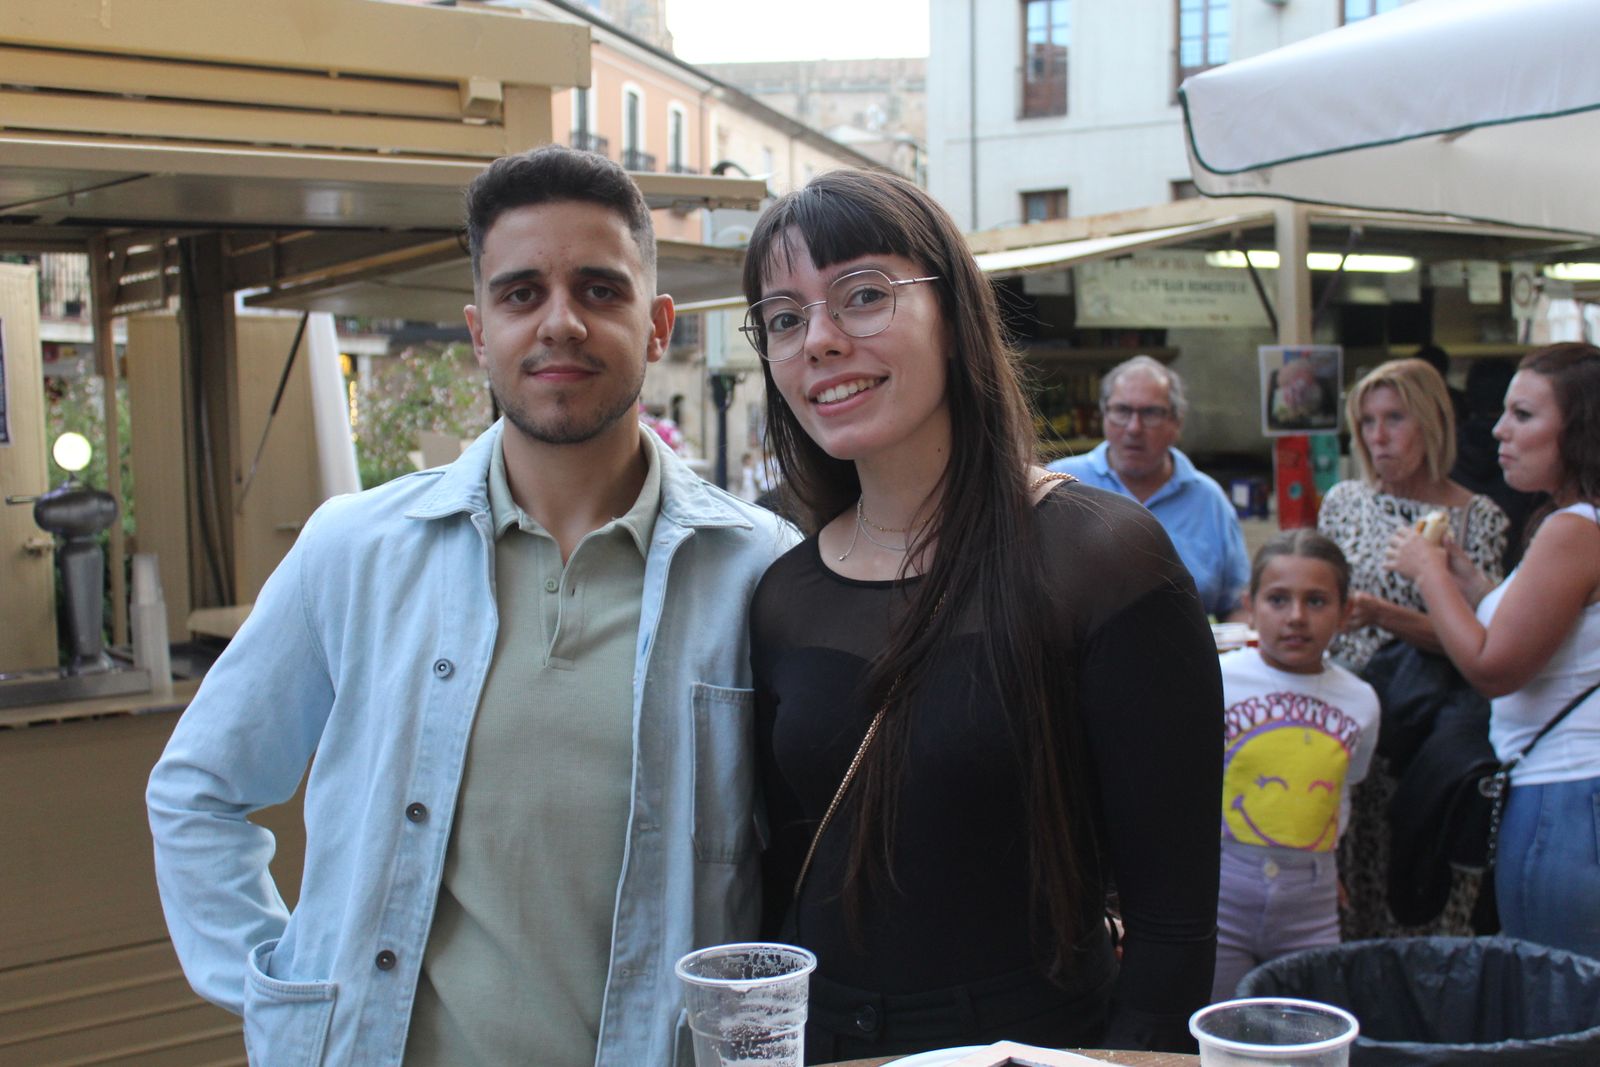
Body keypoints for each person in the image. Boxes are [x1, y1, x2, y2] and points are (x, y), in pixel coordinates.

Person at [145, 146, 797, 1066]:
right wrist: (280, 990)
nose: (560, 322)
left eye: (599, 289)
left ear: (657, 326)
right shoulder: (355, 550)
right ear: (479, 331)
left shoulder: (758, 568)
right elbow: (198, 791)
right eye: (522, 293)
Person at [743, 169, 1221, 1061]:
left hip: (1032, 1046)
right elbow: (779, 881)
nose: (820, 340)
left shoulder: (1103, 559)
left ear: (956, 317)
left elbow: (1174, 928)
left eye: (863, 296)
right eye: (783, 317)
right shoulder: (782, 592)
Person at [1388, 342, 1600, 957]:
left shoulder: (1573, 529)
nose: (1499, 430)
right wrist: (1472, 584)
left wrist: (1428, 573)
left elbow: (1494, 667)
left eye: (1524, 415)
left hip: (1564, 798)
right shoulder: (1576, 523)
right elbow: (1544, 631)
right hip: (1575, 794)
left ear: (1581, 431)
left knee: (1558, 994)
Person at [1316, 357, 1509, 940]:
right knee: (1351, 881)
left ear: (1431, 423)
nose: (1378, 436)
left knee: (1416, 883)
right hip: (1349, 723)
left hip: (1427, 732)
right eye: (1367, 421)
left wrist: (1385, 615)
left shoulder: (1477, 519)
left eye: (1395, 418)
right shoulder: (1344, 501)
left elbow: (1483, 639)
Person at [1212, 531, 1379, 1002]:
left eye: (1317, 601)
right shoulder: (1218, 679)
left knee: (1309, 1021)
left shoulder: (1361, 700)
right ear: (1250, 605)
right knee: (1219, 1019)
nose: (1297, 617)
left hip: (1312, 901)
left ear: (1345, 612)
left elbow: (1344, 787)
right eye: (1278, 599)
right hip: (1221, 893)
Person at [1048, 356, 1250, 620]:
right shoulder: (1062, 484)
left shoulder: (1208, 500)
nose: (1134, 428)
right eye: (1122, 410)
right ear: (1104, 415)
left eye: (1150, 413)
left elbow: (1238, 606)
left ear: (1177, 423)